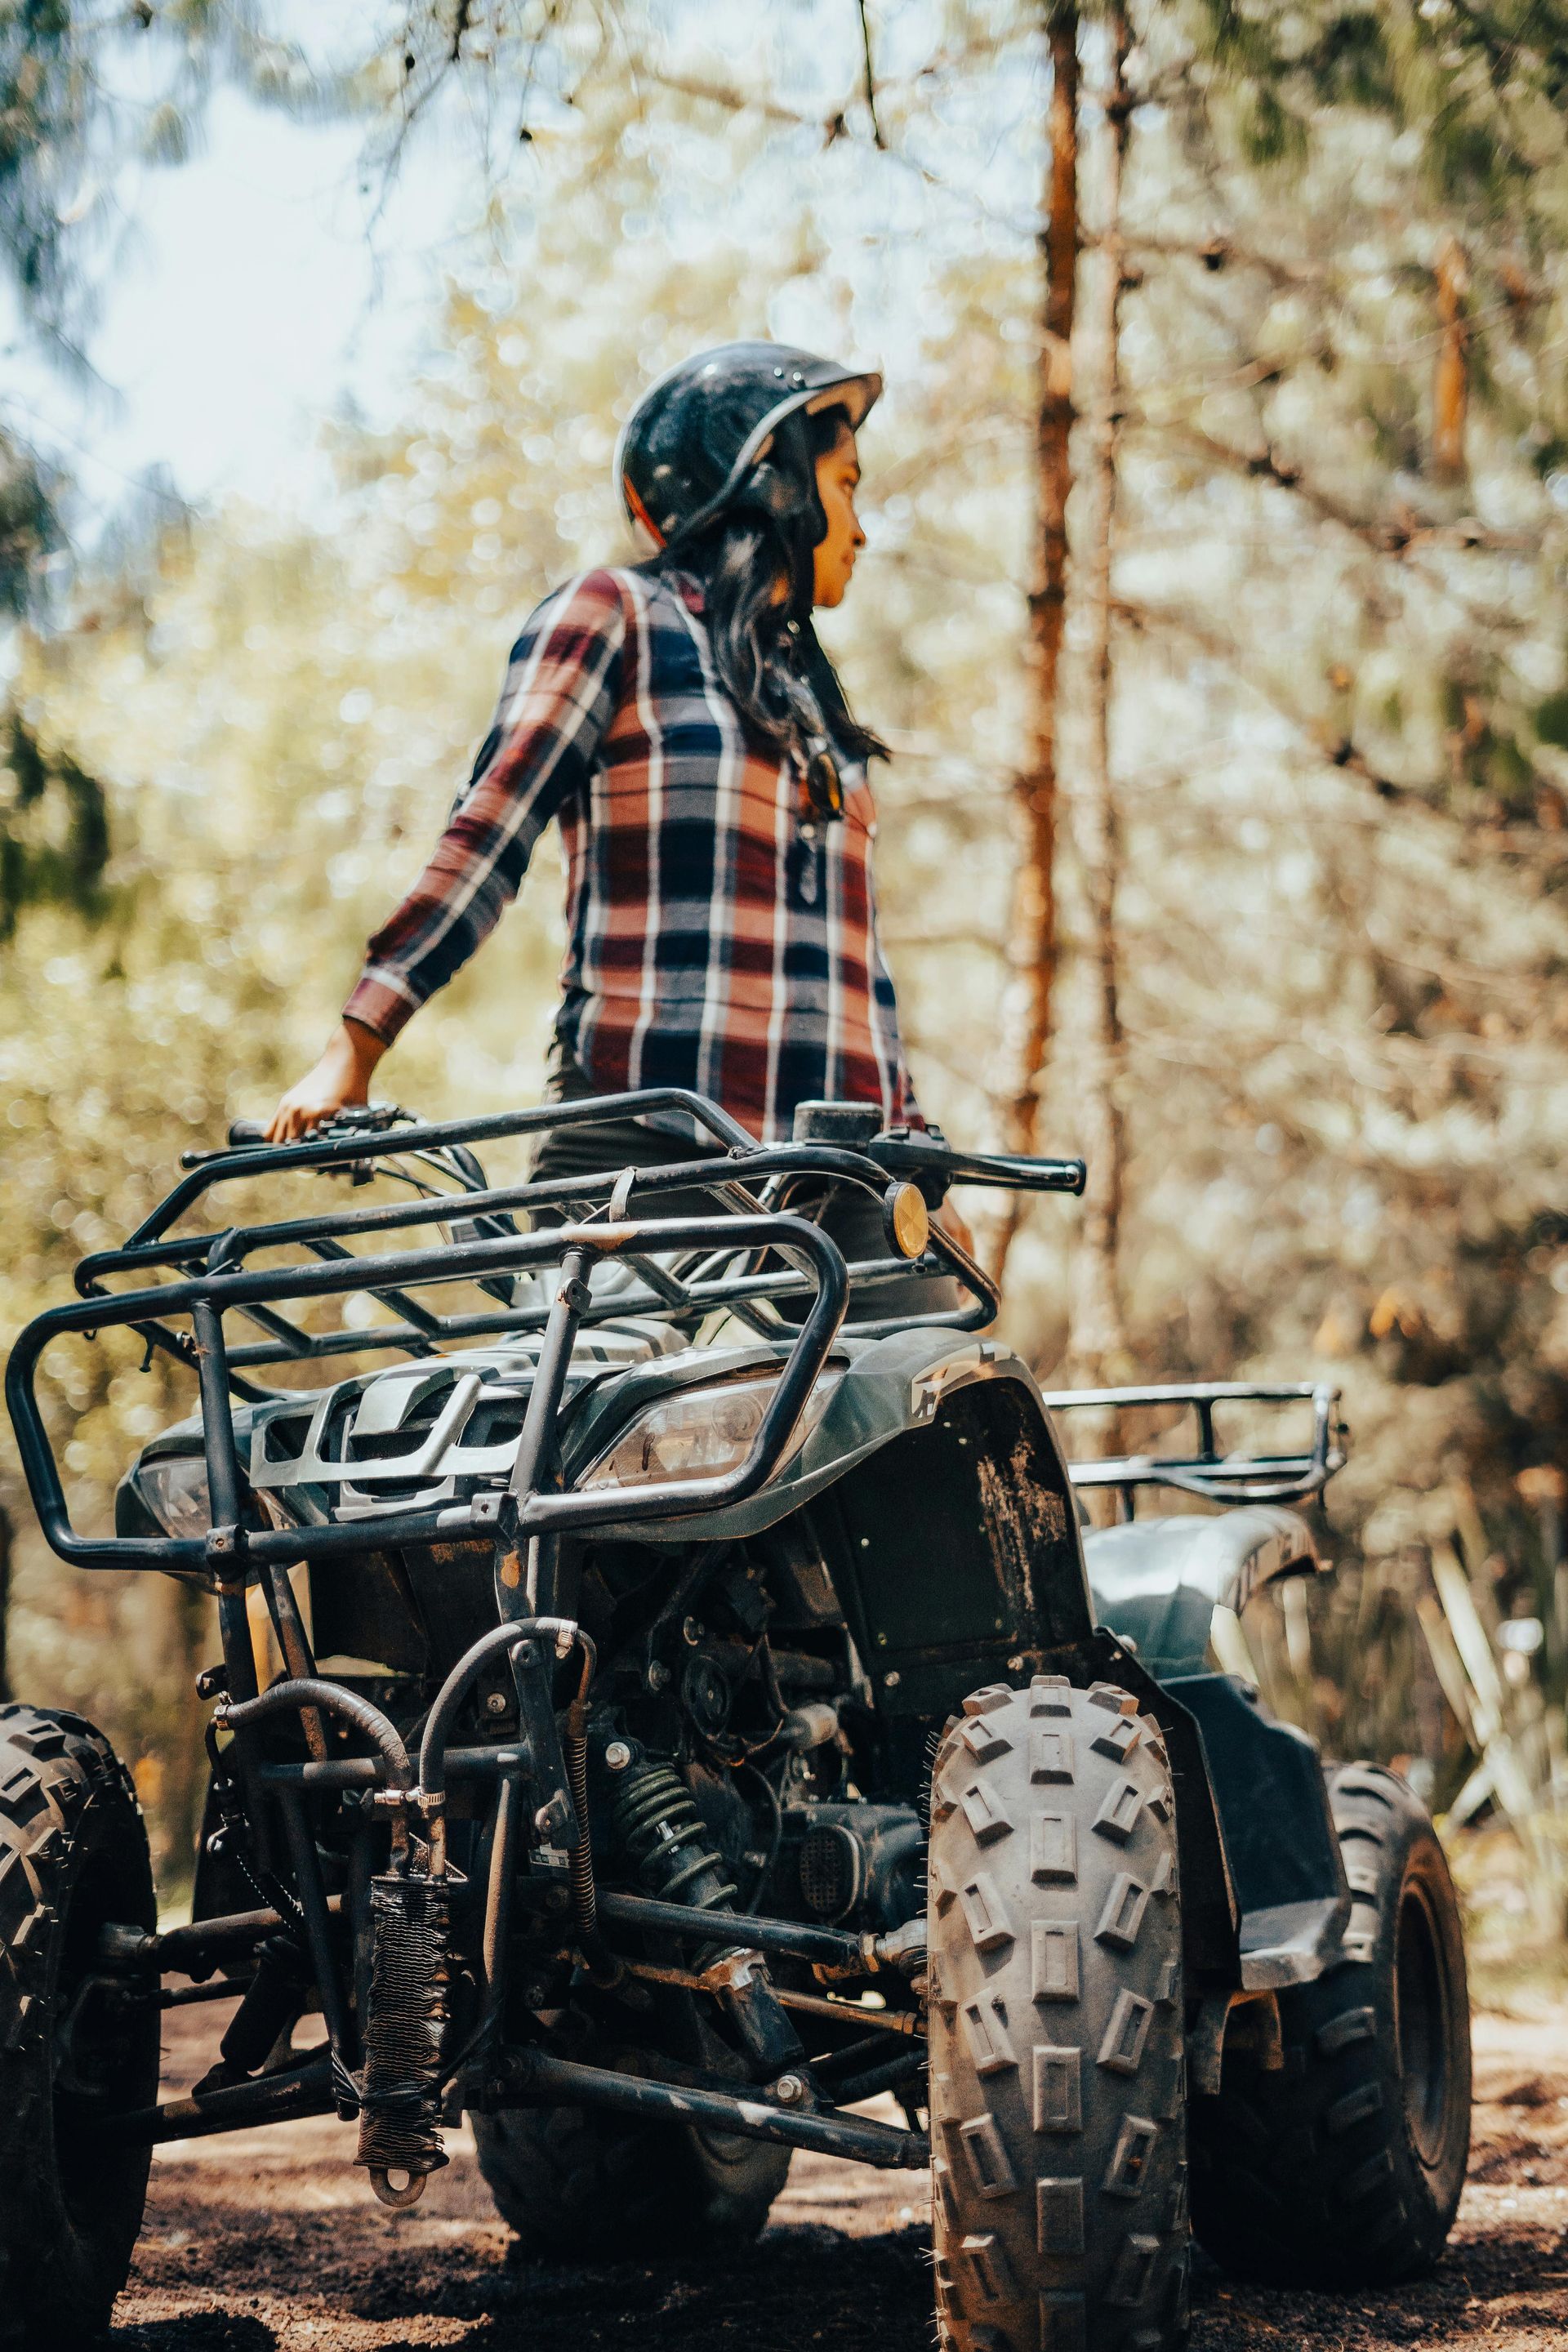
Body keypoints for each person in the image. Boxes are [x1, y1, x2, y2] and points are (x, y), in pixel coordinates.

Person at [267, 341, 967, 1297]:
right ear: (778, 483)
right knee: (602, 1435)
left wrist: (916, 1149)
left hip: (841, 1183)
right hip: (649, 1154)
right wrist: (356, 1044)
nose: (863, 524)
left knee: (948, 1406)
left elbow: (857, 972)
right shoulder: (618, 617)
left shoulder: (808, 701)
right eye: (847, 484)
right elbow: (489, 835)